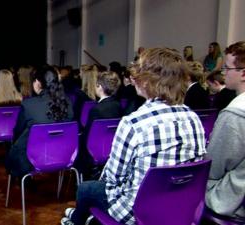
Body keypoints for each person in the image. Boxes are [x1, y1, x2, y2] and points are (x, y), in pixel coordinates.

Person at [61, 48, 206, 225]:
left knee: (86, 189)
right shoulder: (194, 119)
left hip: (137, 212)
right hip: (179, 209)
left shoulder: (134, 123)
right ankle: (80, 217)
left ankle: (76, 220)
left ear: (146, 81)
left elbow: (114, 178)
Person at [5, 66, 73, 178]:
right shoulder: (68, 103)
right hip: (62, 154)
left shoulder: (29, 105)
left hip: (33, 158)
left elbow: (18, 132)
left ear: (37, 82)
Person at [205, 41, 245, 221]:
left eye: (227, 69)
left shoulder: (234, 114)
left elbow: (214, 168)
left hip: (231, 203)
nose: (223, 74)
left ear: (243, 73)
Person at [73, 71, 121, 179]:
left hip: (94, 150)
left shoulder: (96, 109)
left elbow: (88, 136)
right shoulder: (118, 106)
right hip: (111, 148)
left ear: (99, 87)